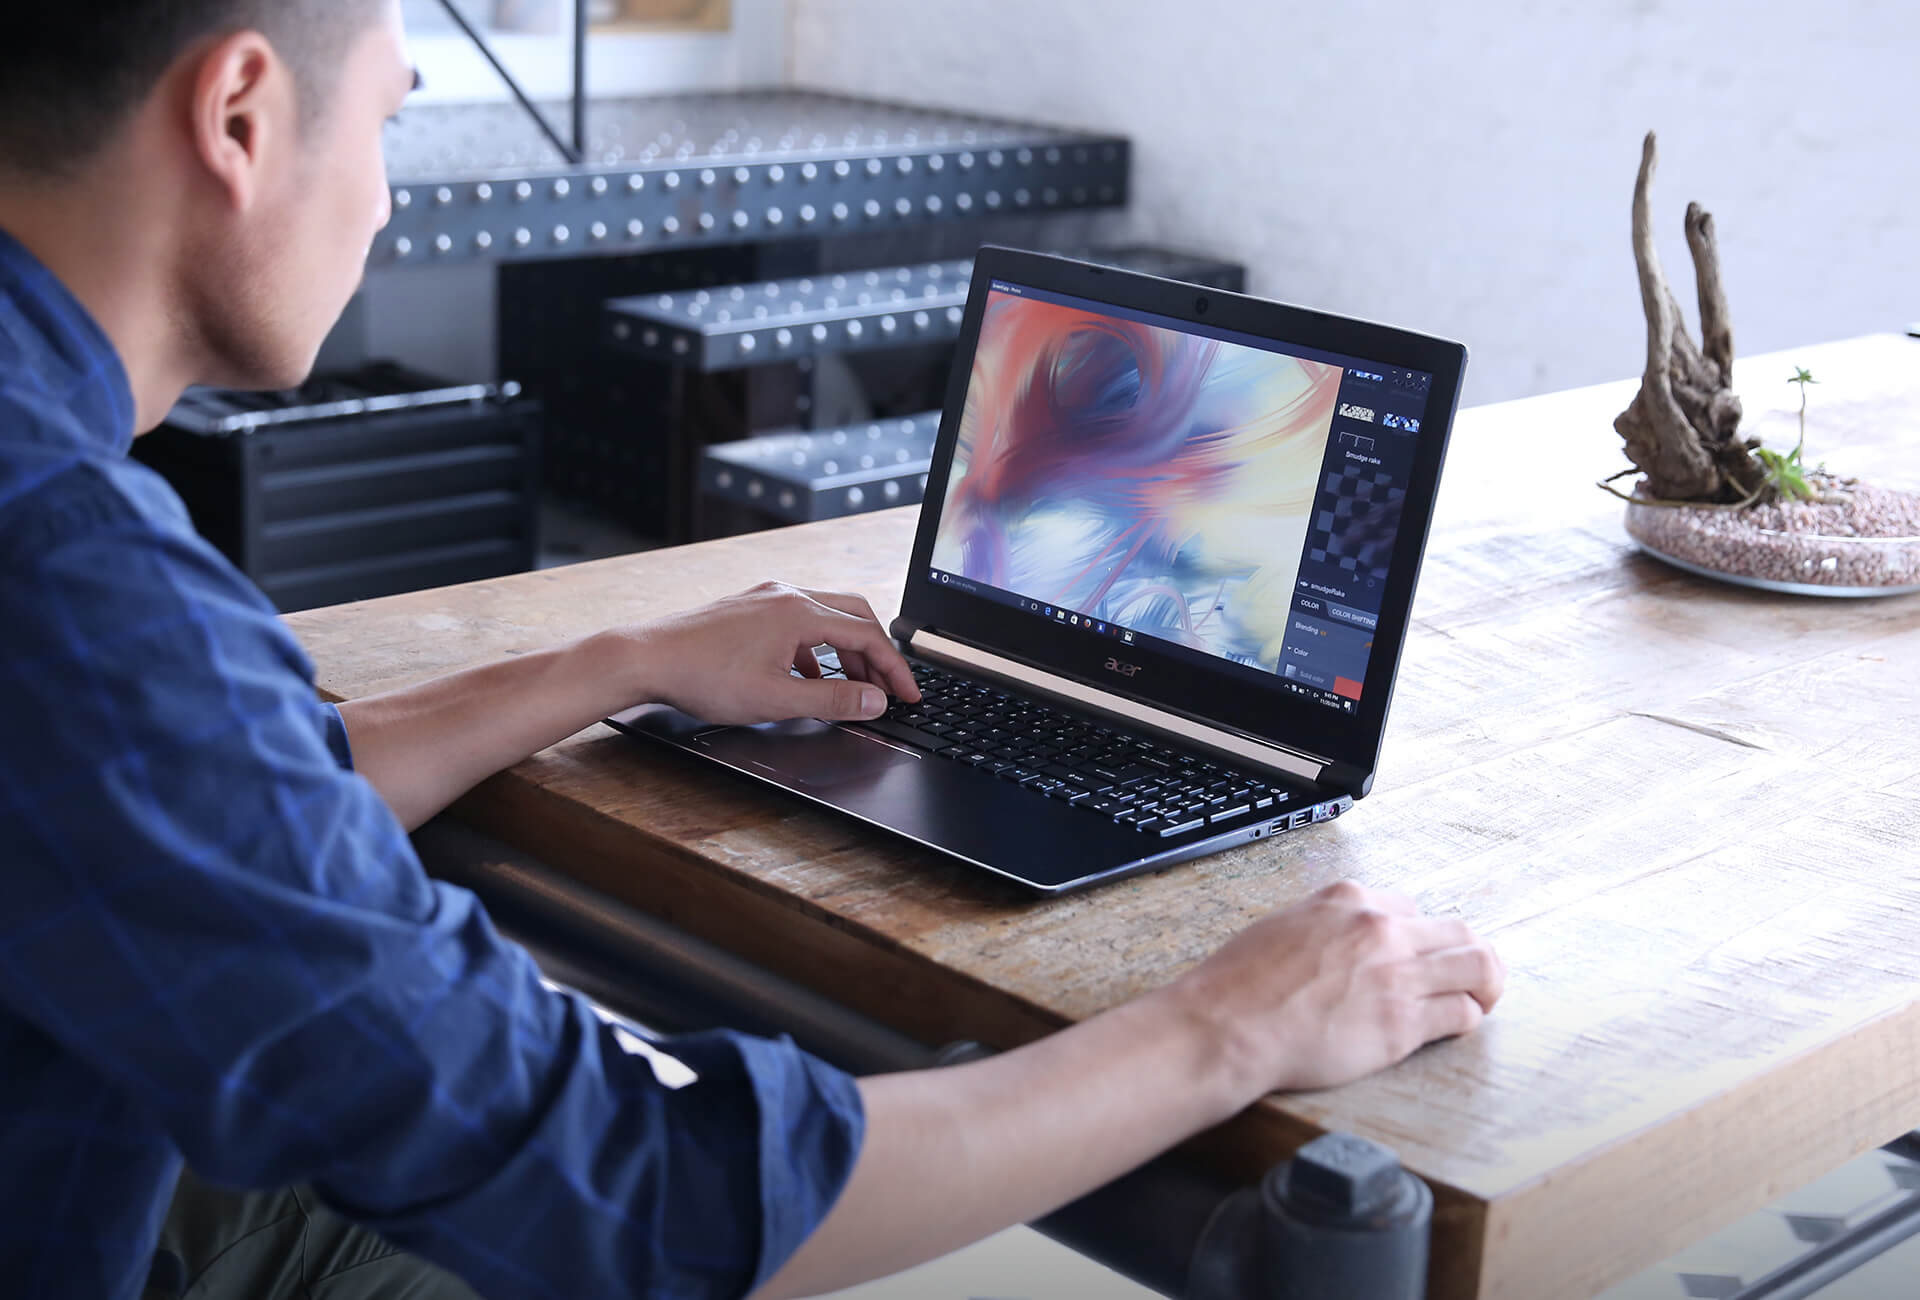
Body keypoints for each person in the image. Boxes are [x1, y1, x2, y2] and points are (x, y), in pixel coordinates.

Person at [0, 3, 1506, 1297]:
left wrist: (619, 658)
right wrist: (1220, 1028)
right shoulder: (74, 585)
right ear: (242, 116)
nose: (388, 197)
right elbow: (632, 1196)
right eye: (391, 120)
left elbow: (210, 797)